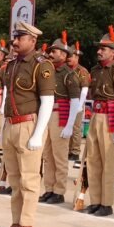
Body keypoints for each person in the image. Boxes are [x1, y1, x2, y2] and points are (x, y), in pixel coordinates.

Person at [0, 22, 54, 227]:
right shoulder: (11, 65)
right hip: (11, 124)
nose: (15, 42)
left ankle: (26, 224)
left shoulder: (42, 65)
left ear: (33, 40)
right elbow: (8, 97)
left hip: (29, 124)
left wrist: (38, 134)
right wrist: (3, 128)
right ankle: (16, 222)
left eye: (20, 38)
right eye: (15, 37)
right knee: (15, 179)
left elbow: (48, 101)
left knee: (29, 179)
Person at [83, 27, 114, 216]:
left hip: (111, 116)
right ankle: (95, 200)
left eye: (103, 49)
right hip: (96, 115)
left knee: (108, 162)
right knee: (93, 159)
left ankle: (106, 202)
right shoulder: (95, 70)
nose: (99, 51)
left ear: (113, 52)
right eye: (99, 48)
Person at [40, 33, 81, 205]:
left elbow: (75, 101)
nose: (51, 54)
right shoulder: (47, 70)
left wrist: (70, 125)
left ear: (63, 55)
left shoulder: (69, 74)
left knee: (60, 156)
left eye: (55, 51)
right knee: (47, 155)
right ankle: (49, 188)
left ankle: (59, 191)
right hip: (48, 113)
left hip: (60, 114)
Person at [68, 41, 91, 161]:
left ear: (76, 57)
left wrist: (80, 105)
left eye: (70, 56)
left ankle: (75, 151)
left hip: (77, 102)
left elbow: (85, 88)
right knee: (65, 125)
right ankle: (68, 149)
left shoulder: (82, 71)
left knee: (75, 127)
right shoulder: (65, 69)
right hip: (66, 102)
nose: (68, 59)